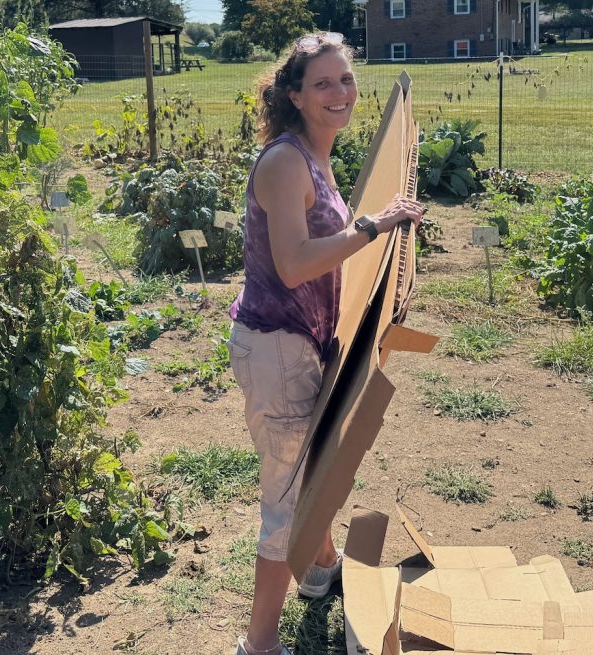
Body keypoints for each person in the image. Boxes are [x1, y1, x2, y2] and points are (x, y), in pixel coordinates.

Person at [226, 32, 424, 655]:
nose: (340, 93)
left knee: (311, 469)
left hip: (298, 343)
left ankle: (319, 571)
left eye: (345, 80)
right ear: (295, 95)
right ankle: (259, 644)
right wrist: (371, 227)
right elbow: (293, 265)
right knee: (286, 503)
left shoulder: (317, 153)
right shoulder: (285, 163)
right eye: (322, 84)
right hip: (276, 349)